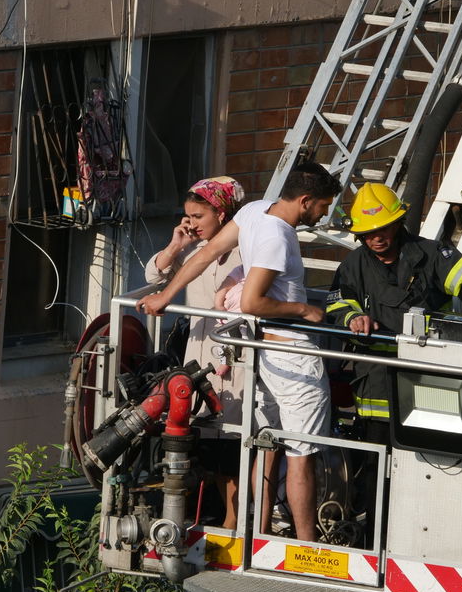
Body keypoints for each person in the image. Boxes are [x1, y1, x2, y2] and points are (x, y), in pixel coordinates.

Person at [140, 160, 341, 542]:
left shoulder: (252, 211)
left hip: (260, 351)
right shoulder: (278, 236)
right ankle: (307, 548)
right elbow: (251, 302)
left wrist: (165, 297)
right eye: (323, 204)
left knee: (265, 446)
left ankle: (257, 535)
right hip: (290, 352)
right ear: (304, 200)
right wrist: (304, 309)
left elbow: (203, 255)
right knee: (302, 454)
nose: (325, 212)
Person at [326, 182, 462, 426]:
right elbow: (337, 307)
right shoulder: (353, 265)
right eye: (368, 233)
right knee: (373, 458)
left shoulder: (432, 255)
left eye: (384, 228)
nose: (377, 238)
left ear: (398, 223)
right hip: (376, 385)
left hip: (429, 373)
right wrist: (352, 319)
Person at [143, 176, 245, 524]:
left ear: (223, 213)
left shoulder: (248, 246)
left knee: (232, 444)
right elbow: (155, 276)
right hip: (199, 355)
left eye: (199, 216)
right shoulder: (193, 250)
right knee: (210, 444)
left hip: (236, 360)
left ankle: (234, 524)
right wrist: (176, 244)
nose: (193, 224)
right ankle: (227, 519)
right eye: (189, 216)